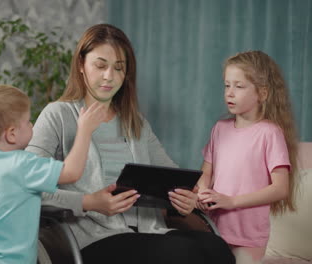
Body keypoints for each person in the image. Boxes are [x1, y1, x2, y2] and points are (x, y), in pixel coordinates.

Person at [26, 24, 235, 264]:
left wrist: (184, 200)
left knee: (215, 248)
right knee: (181, 253)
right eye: (101, 65)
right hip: (92, 239)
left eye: (118, 68)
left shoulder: (136, 124)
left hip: (148, 233)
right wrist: (90, 202)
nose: (109, 76)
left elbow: (173, 177)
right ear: (81, 65)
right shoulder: (58, 115)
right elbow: (28, 185)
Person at [0, 84, 105, 263]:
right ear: (11, 134)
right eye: (28, 121)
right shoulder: (22, 163)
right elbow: (72, 172)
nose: (32, 124)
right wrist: (85, 130)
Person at [196, 50, 298, 263]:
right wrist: (204, 190)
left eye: (239, 86)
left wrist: (232, 201)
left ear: (262, 93)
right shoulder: (219, 129)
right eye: (227, 85)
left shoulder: (269, 133)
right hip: (214, 227)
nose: (229, 93)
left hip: (249, 236)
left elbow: (281, 188)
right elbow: (206, 172)